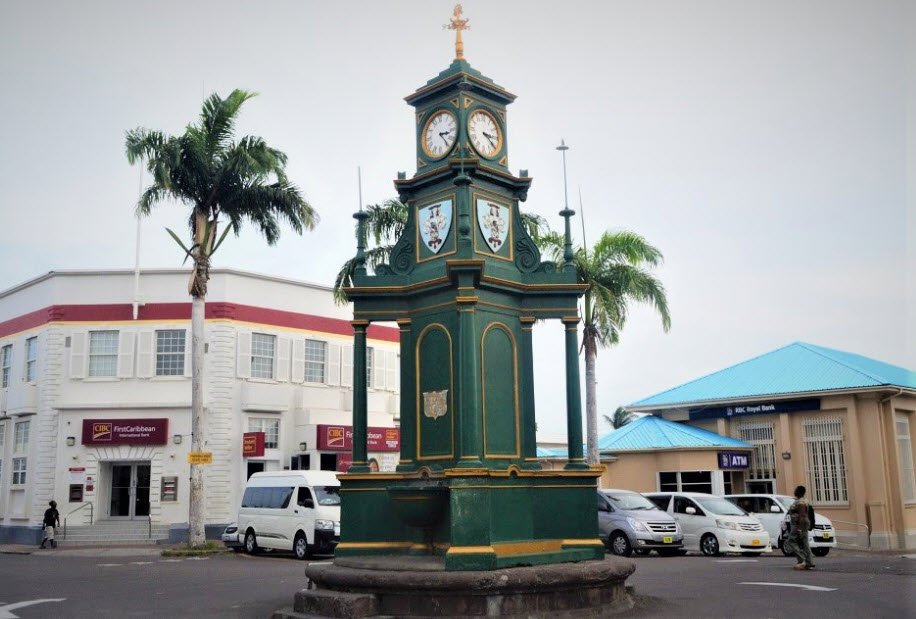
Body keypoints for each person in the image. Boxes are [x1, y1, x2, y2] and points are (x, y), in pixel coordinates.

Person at [783, 485, 815, 570]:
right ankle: (809, 562)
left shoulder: (801, 502)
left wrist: (799, 528)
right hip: (801, 523)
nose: (794, 491)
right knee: (805, 542)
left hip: (799, 523)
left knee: (791, 540)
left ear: (799, 492)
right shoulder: (801, 501)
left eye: (796, 490)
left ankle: (802, 558)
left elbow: (802, 515)